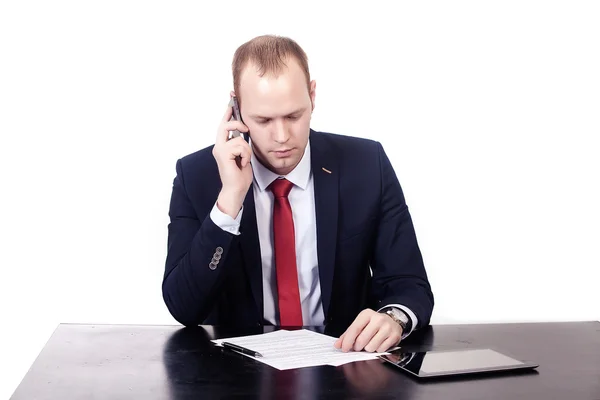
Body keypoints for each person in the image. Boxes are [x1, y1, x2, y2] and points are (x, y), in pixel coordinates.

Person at [162, 34, 434, 353]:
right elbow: (184, 308)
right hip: (238, 375)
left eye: (293, 115)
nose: (282, 136)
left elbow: (410, 284)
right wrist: (229, 202)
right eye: (263, 120)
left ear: (312, 95)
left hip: (344, 363)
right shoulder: (197, 176)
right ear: (236, 108)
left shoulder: (366, 165)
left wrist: (393, 318)